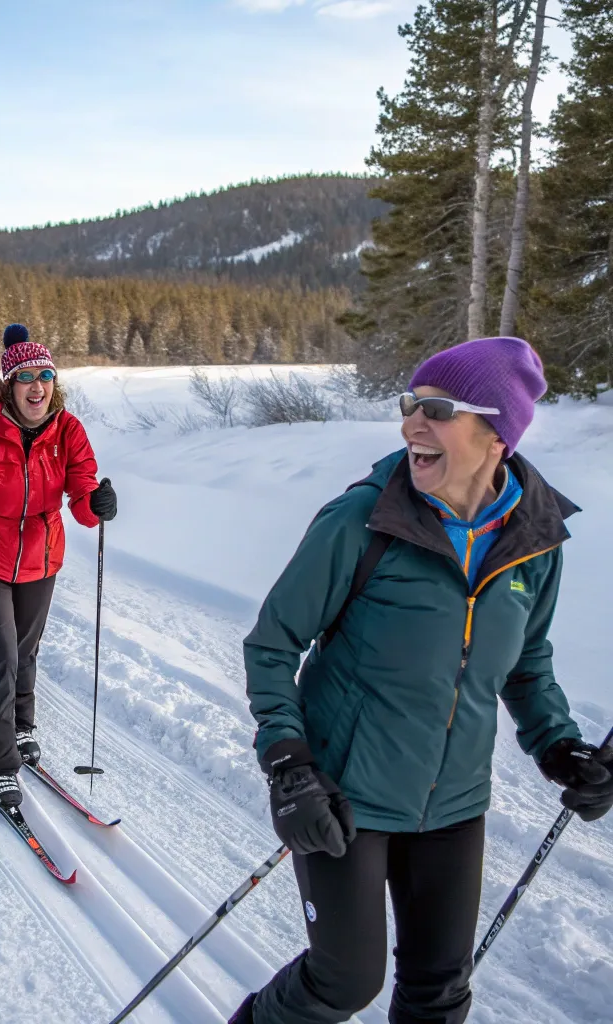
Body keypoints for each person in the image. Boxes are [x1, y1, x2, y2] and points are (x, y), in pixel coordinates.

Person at [231, 337, 613, 1024]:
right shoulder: (363, 521)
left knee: (440, 993)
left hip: (455, 802)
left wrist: (560, 748)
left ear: (496, 431)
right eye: (410, 405)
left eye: (435, 410)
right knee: (343, 982)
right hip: (345, 795)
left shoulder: (535, 539)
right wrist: (289, 765)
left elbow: (525, 664)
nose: (411, 424)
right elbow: (272, 645)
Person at [0, 323, 117, 808]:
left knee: (27, 650)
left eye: (46, 375)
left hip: (40, 556)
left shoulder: (69, 431)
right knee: (5, 657)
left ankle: (21, 725)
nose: (37, 386)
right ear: (8, 386)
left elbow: (80, 495)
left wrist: (96, 504)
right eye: (26, 376)